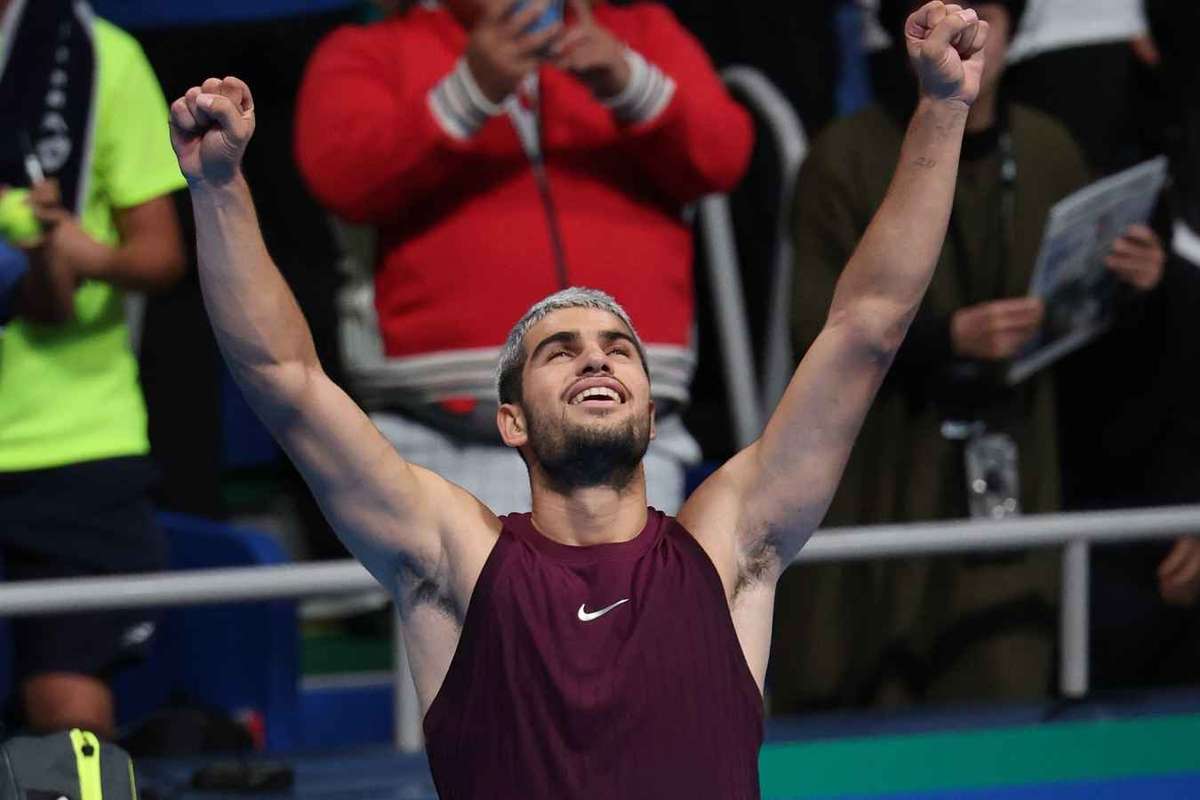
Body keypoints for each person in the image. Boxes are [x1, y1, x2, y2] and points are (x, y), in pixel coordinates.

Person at [171, 2, 986, 794]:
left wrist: (944, 109)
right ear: (513, 420)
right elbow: (285, 379)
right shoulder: (457, 561)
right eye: (559, 351)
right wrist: (218, 189)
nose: (596, 356)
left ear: (650, 411)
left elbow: (867, 324)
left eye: (618, 349)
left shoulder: (726, 549)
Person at [773, 0, 1166, 712]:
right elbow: (811, 328)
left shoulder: (1047, 148)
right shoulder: (846, 156)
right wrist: (944, 337)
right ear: (909, 32)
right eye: (946, 13)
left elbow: (1104, 358)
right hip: (881, 477)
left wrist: (1135, 286)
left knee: (1005, 692)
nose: (970, 34)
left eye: (987, 13)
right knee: (876, 703)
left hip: (1014, 475)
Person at [293, 0, 754, 516]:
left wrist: (628, 81)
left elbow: (723, 156)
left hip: (629, 433)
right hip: (441, 437)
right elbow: (343, 176)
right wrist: (471, 89)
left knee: (637, 574)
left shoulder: (643, 31)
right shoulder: (371, 51)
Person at [0, 0, 186, 737]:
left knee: (67, 716)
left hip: (73, 447)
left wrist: (70, 248)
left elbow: (159, 254)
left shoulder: (105, 57)